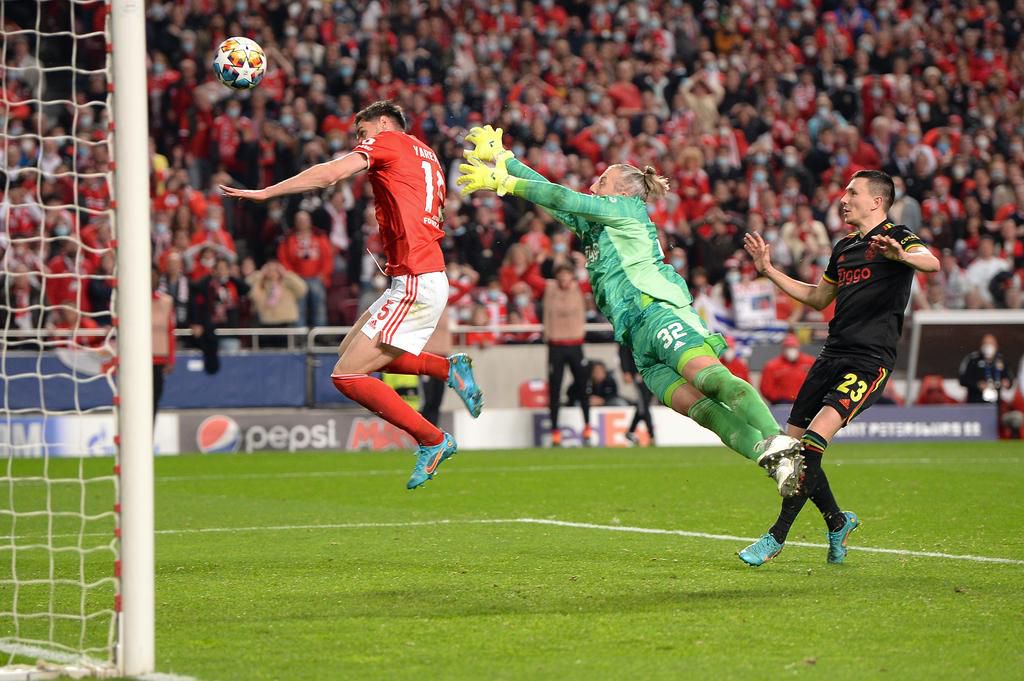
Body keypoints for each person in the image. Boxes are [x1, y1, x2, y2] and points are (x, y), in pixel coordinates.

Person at [457, 125, 805, 497]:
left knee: (712, 381)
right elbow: (553, 199)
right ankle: (777, 462)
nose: (593, 185)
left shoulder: (626, 209)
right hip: (637, 340)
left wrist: (503, 182)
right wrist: (506, 161)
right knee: (704, 413)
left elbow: (564, 196)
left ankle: (776, 437)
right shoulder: (597, 226)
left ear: (622, 190)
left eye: (602, 180)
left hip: (657, 313)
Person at [220, 100, 482, 489]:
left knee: (346, 376)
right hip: (418, 275)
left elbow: (329, 175)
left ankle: (433, 438)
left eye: (362, 133)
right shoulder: (426, 153)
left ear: (383, 123)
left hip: (416, 277)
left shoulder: (389, 142)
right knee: (349, 351)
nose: (360, 142)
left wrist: (265, 193)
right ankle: (447, 369)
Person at [740, 169, 939, 566]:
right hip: (832, 354)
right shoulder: (844, 247)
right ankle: (836, 521)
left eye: (853, 192)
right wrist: (769, 271)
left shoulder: (895, 237)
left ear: (876, 201)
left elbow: (930, 262)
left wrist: (901, 256)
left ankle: (776, 537)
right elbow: (817, 298)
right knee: (790, 454)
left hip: (870, 361)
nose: (843, 198)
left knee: (813, 443)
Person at [542, 263, 591, 447]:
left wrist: (580, 264)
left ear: (572, 276)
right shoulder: (549, 290)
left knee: (583, 387)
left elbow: (592, 278)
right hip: (555, 346)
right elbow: (529, 278)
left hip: (576, 345)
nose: (563, 279)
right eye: (560, 275)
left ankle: (587, 426)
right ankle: (555, 431)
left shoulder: (579, 289)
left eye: (567, 275)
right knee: (554, 390)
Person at [759, 334, 815, 405]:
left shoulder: (810, 362)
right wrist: (780, 398)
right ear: (783, 349)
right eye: (788, 347)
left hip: (805, 403)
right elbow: (766, 388)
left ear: (798, 348)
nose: (791, 350)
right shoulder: (772, 366)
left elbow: (817, 381)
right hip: (781, 404)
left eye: (793, 347)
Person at [958, 334, 1013, 404]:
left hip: (996, 403)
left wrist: (1006, 382)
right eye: (986, 343)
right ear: (981, 345)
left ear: (996, 345)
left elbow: (1009, 379)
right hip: (976, 402)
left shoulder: (1002, 360)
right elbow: (962, 379)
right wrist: (977, 384)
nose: (988, 346)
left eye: (991, 343)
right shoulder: (973, 360)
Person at [151, 265, 176, 420]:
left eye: (155, 275)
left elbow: (170, 330)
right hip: (137, 361)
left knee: (154, 401)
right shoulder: (131, 302)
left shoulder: (166, 301)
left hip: (158, 359)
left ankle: (148, 439)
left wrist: (170, 359)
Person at [619, 343, 655, 446]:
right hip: (638, 373)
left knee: (643, 406)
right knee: (644, 405)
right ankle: (652, 436)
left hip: (651, 373)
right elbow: (623, 351)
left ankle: (630, 432)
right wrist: (626, 371)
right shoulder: (629, 331)